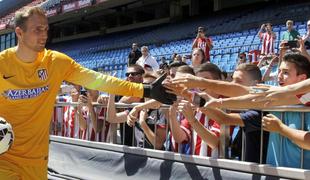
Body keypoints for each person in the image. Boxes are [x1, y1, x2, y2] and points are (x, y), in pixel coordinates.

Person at [0, 7, 175, 179]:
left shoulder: (56, 62)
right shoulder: (2, 64)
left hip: (37, 162)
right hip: (4, 161)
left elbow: (99, 80)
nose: (44, 34)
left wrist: (145, 89)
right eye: (37, 29)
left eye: (46, 29)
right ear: (19, 32)